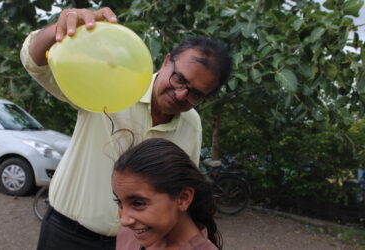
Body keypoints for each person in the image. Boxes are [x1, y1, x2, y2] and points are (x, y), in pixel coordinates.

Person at [20, 7, 231, 250]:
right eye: (179, 79)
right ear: (165, 62)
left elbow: (180, 192)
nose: (181, 94)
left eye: (195, 93)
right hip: (67, 233)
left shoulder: (192, 124)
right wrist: (58, 30)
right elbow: (37, 65)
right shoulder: (111, 82)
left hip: (136, 243)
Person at [112, 138, 221, 250]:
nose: (124, 221)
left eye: (138, 203)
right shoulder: (128, 236)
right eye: (120, 202)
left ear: (183, 198)